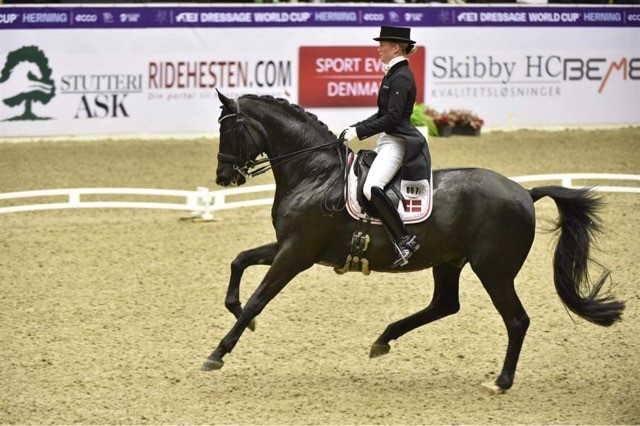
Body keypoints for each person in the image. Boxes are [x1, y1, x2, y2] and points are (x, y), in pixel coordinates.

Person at [342, 25, 431, 268]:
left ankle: (405, 239)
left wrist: (359, 133)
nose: (378, 48)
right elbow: (381, 114)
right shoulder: (393, 74)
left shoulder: (401, 76)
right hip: (386, 139)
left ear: (395, 47)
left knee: (372, 187)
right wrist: (354, 128)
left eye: (382, 44)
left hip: (397, 141)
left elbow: (392, 119)